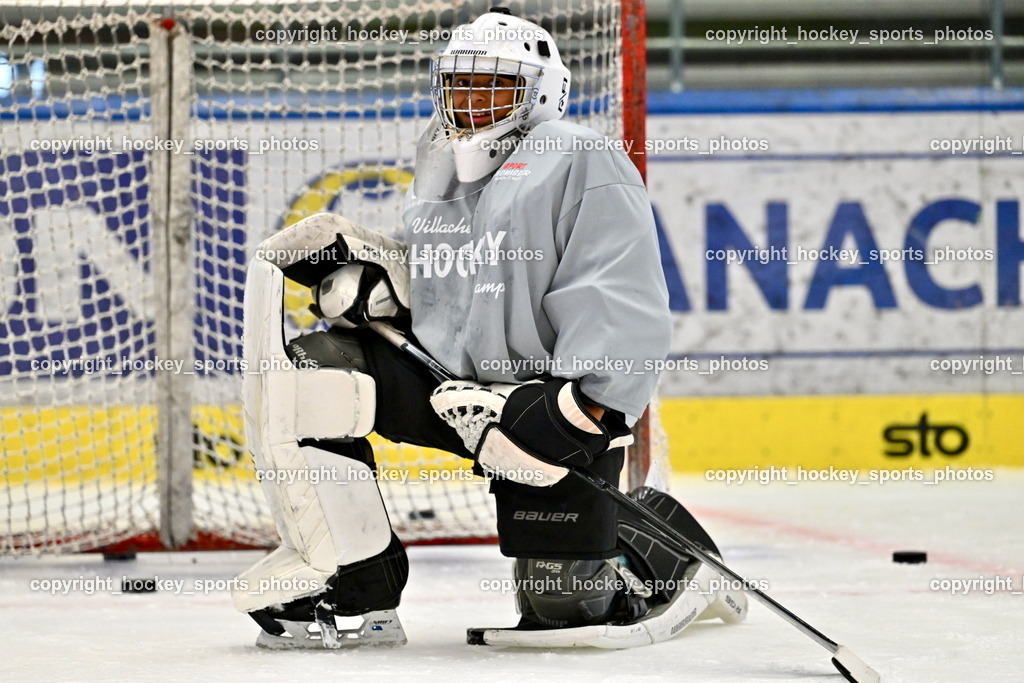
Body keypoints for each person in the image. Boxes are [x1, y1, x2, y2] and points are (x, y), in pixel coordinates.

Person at [231, 8, 746, 649]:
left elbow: (621, 300)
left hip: (542, 402)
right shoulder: (439, 158)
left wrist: (582, 405)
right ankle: (355, 586)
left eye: (492, 86)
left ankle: (677, 554)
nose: (471, 102)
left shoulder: (581, 160)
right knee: (312, 374)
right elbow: (452, 277)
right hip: (446, 387)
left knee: (565, 612)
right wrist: (379, 280)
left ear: (540, 92)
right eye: (460, 84)